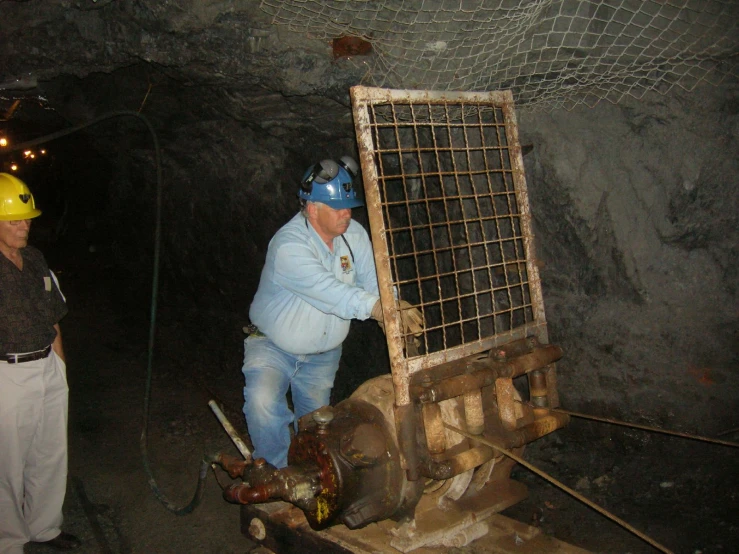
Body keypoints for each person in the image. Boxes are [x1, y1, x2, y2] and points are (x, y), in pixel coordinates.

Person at [242, 157, 424, 469]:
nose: (347, 214)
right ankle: (277, 476)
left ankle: (310, 478)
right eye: (337, 208)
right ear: (312, 208)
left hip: (323, 355)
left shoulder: (354, 235)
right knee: (263, 406)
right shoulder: (289, 245)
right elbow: (328, 291)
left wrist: (392, 304)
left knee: (316, 425)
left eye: (349, 206)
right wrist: (377, 309)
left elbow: (373, 280)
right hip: (274, 348)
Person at [0, 173, 80, 553]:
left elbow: (53, 315)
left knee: (50, 452)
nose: (24, 226)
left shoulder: (34, 259)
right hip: (8, 373)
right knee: (7, 464)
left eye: (27, 218)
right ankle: (9, 541)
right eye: (14, 220)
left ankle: (44, 527)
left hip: (46, 365)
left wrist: (60, 369)